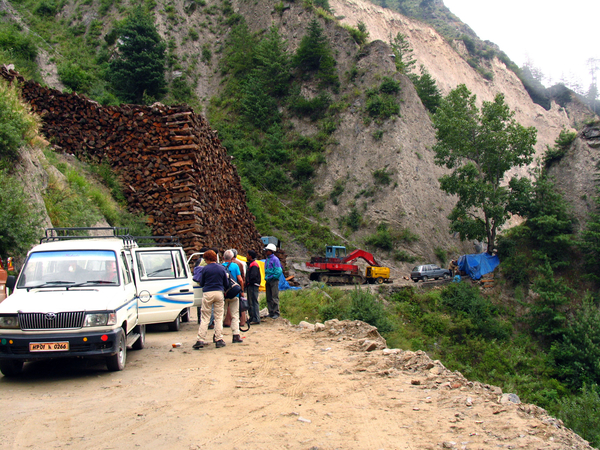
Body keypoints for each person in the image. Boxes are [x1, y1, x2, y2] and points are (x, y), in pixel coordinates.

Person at [194, 250, 228, 349]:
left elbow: (202, 282)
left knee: (205, 317)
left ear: (207, 259)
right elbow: (225, 283)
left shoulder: (205, 269)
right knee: (218, 317)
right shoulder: (221, 268)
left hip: (208, 292)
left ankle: (200, 339)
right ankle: (219, 339)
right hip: (219, 292)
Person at [222, 250, 244, 343]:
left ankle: (217, 335)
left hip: (224, 293)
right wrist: (241, 291)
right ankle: (236, 335)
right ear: (232, 258)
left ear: (223, 258)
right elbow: (240, 279)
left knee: (221, 314)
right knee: (235, 314)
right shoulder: (235, 266)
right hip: (234, 293)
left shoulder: (221, 267)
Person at [264, 243, 283, 319]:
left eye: (267, 250)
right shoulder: (267, 259)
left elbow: (278, 271)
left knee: (274, 296)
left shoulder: (275, 259)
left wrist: (273, 277)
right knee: (269, 297)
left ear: (271, 251)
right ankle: (270, 311)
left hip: (273, 280)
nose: (266, 252)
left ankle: (276, 312)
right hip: (268, 279)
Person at [245, 250, 262, 325]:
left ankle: (256, 318)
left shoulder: (254, 264)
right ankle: (252, 317)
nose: (246, 256)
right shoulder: (251, 264)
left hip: (253, 285)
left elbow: (253, 276)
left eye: (247, 255)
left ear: (250, 256)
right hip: (251, 285)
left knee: (254, 301)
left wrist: (248, 282)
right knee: (250, 302)